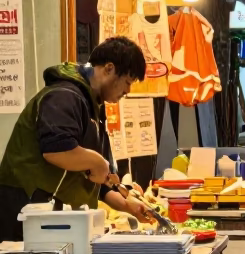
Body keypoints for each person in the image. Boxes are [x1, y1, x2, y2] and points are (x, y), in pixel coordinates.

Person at [0, 37, 155, 241]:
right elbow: (57, 150)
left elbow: (92, 178)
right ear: (109, 69)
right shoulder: (64, 95)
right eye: (127, 82)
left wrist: (128, 205)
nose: (128, 91)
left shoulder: (93, 105)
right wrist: (99, 162)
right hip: (25, 214)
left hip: (54, 220)